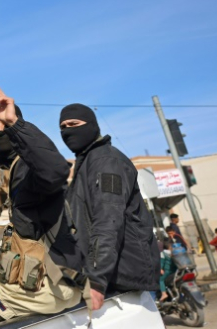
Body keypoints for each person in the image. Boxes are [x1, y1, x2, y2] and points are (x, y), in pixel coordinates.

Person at [0, 80, 83, 327]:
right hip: (33, 287)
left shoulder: (28, 168)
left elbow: (55, 170)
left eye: (4, 124)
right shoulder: (11, 173)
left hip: (50, 288)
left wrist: (15, 124)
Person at [60, 104, 160, 311]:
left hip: (124, 281)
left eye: (74, 124)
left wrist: (97, 277)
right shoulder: (85, 164)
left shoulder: (106, 162)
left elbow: (108, 219)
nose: (68, 131)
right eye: (63, 127)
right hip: (111, 280)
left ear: (92, 125)